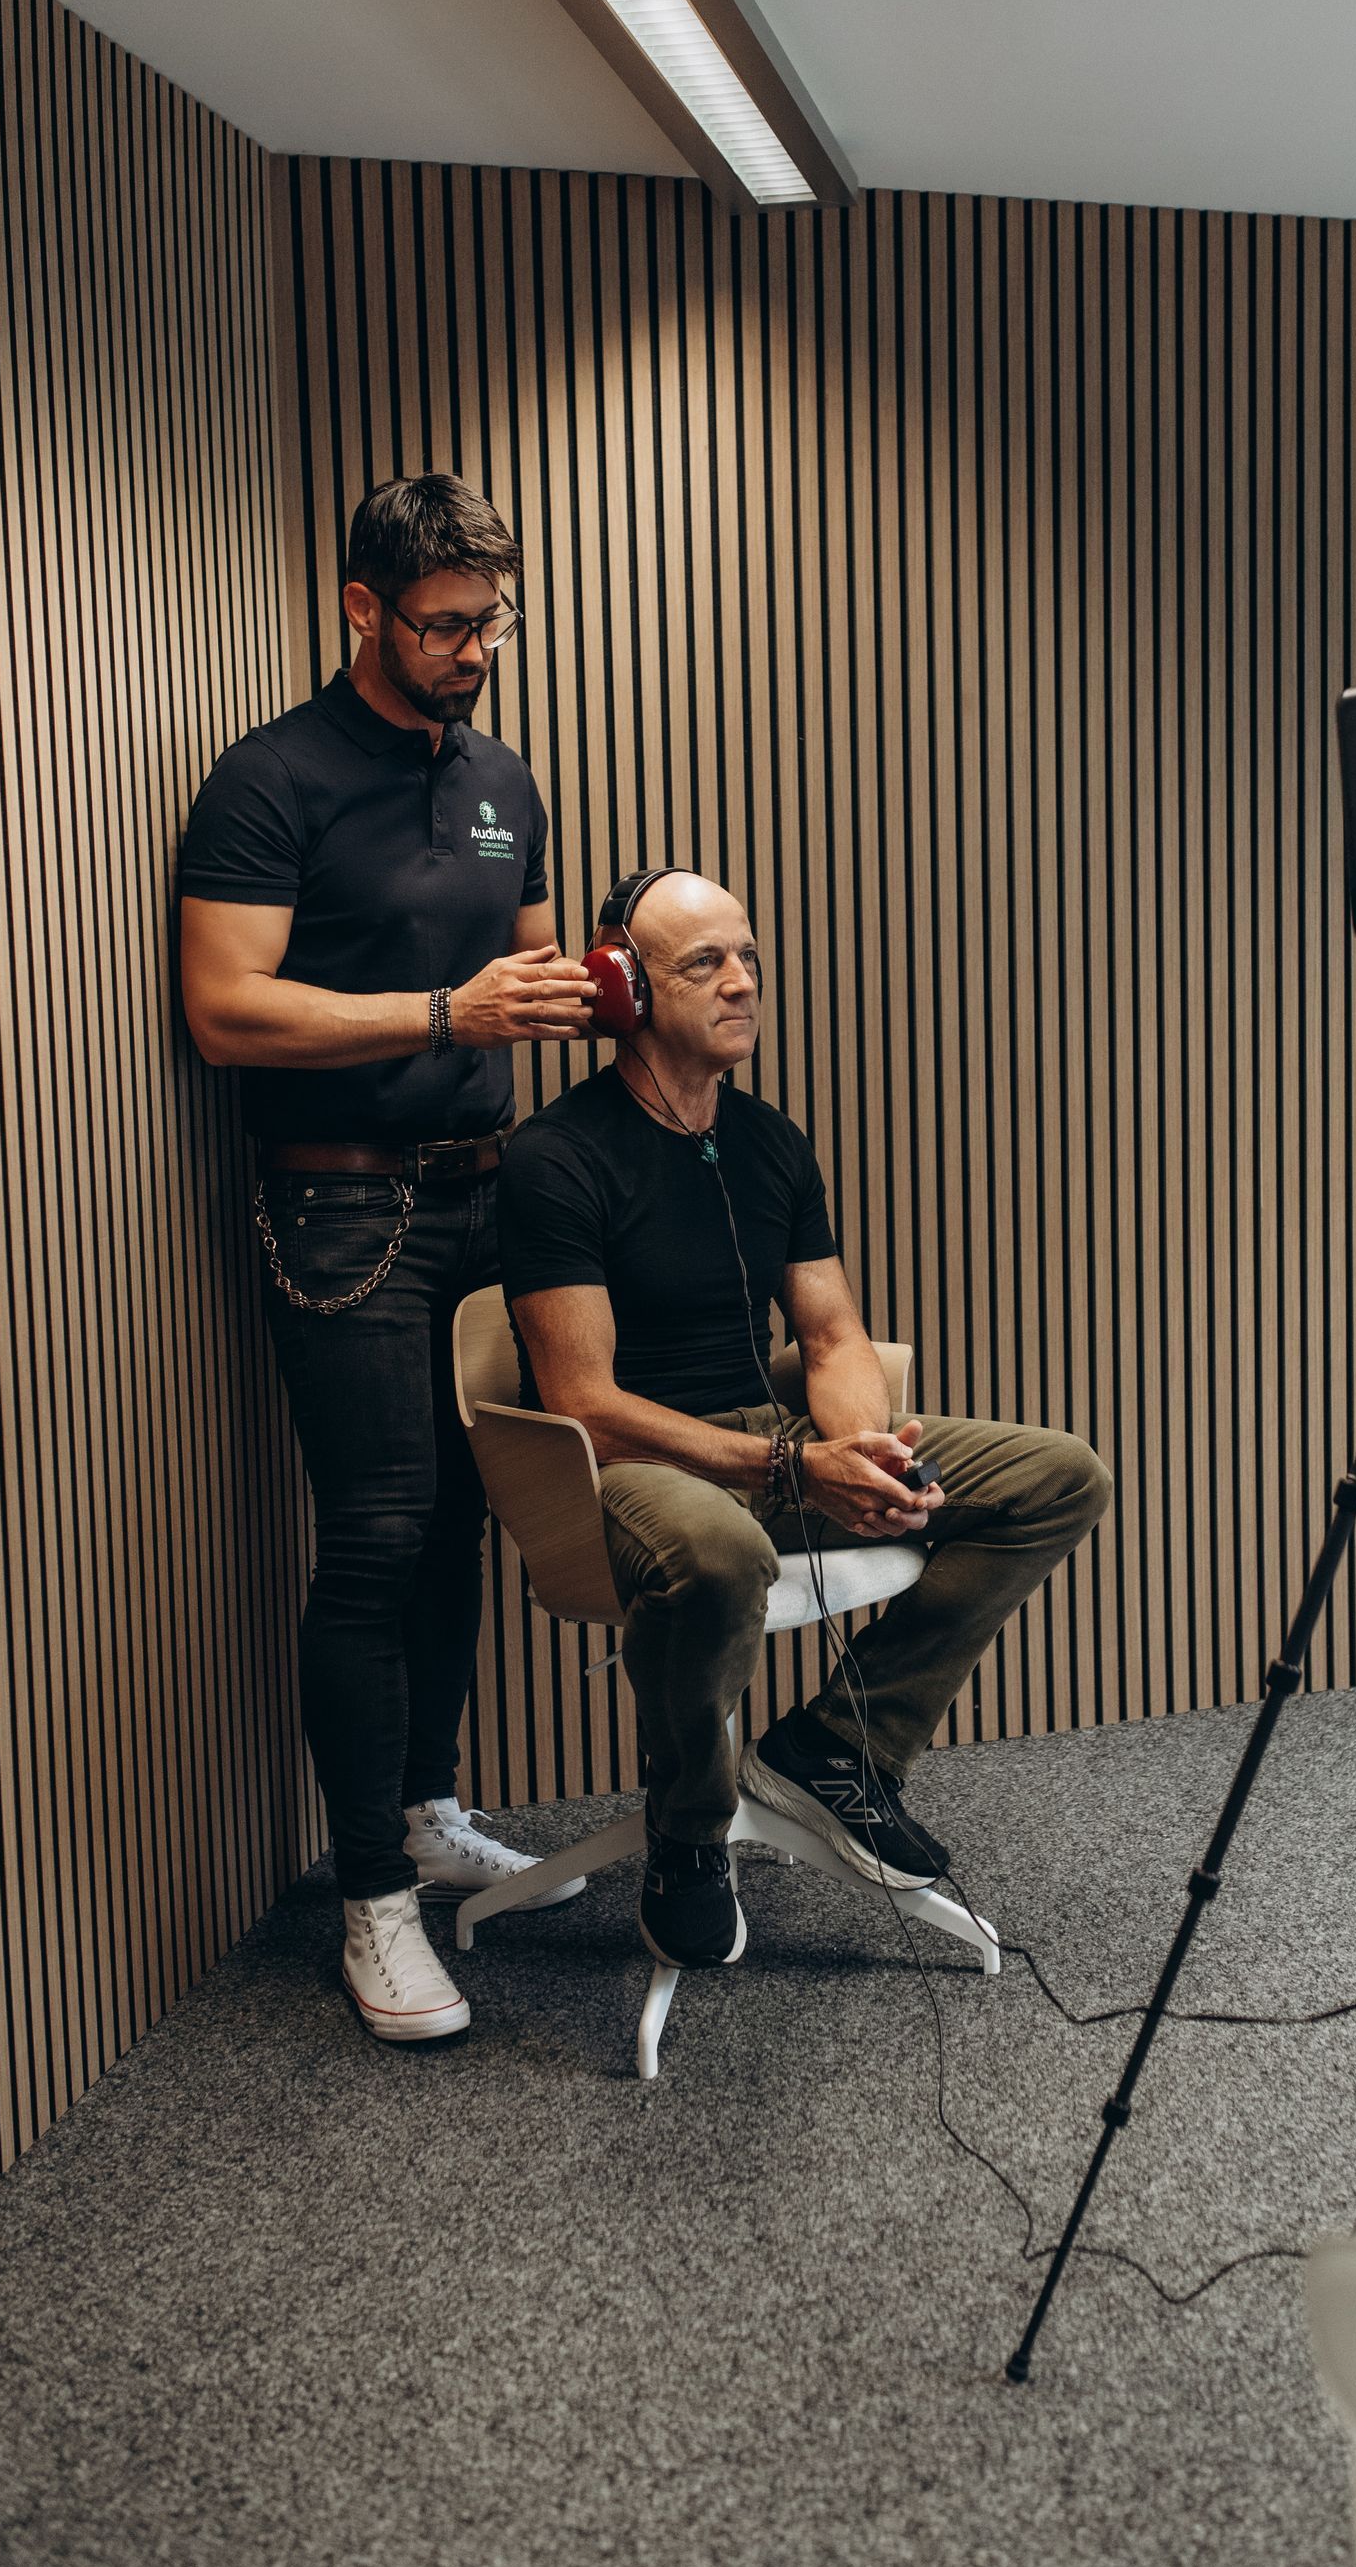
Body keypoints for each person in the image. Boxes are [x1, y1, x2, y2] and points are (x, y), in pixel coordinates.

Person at [497, 868, 1113, 1970]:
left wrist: (866, 1448)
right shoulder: (557, 1157)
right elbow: (584, 1402)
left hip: (765, 1443)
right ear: (625, 986)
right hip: (635, 1464)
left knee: (1060, 1474)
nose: (743, 982)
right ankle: (689, 1830)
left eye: (748, 958)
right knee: (724, 1552)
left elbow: (830, 1336)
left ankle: (840, 1747)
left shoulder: (771, 1142)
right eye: (706, 963)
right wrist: (793, 1465)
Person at [179, 474, 596, 2044]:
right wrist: (443, 1016)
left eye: (492, 618)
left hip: (486, 1199)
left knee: (458, 1535)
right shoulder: (272, 778)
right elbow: (228, 1008)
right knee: (375, 1529)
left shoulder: (502, 777)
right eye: (443, 622)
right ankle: (371, 1906)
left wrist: (595, 995)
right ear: (363, 607)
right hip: (341, 1207)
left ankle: (427, 1808)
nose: (475, 646)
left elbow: (528, 961)